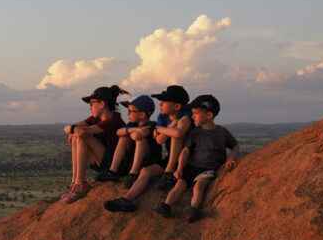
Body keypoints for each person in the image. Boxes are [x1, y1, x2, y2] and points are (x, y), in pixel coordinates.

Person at [104, 85, 191, 213]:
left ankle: (168, 174)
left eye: (164, 101)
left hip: (186, 160)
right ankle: (127, 200)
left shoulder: (185, 119)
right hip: (168, 160)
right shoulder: (165, 120)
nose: (160, 104)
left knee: (174, 134)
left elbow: (177, 134)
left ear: (177, 106)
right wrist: (167, 127)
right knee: (145, 171)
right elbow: (160, 140)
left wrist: (160, 129)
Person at [154, 94, 239, 222]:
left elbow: (235, 145)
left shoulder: (221, 132)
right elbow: (186, 151)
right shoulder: (195, 132)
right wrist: (179, 168)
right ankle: (166, 205)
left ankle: (193, 209)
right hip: (192, 166)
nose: (192, 116)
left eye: (195, 113)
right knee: (179, 184)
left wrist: (230, 158)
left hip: (208, 169)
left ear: (209, 115)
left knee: (199, 186)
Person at [60, 85, 128, 203]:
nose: (90, 107)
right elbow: (68, 128)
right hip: (103, 160)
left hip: (116, 166)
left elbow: (82, 131)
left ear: (102, 104)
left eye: (92, 104)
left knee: (81, 137)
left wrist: (73, 130)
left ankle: (80, 183)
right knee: (76, 136)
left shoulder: (113, 120)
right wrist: (72, 130)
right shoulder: (95, 119)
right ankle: (75, 182)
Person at [96, 95, 160, 189]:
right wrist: (133, 130)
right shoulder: (132, 124)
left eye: (131, 111)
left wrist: (132, 131)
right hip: (132, 159)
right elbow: (118, 132)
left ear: (142, 114)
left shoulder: (151, 125)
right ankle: (113, 171)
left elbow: (137, 136)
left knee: (139, 139)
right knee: (123, 138)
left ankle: (133, 174)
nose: (128, 114)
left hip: (147, 161)